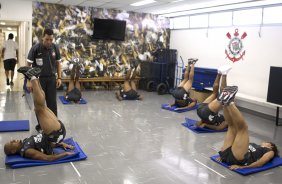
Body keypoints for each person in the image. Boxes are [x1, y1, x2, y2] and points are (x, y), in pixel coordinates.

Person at [4, 66, 73, 161]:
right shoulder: (27, 151)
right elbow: (47, 158)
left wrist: (60, 143)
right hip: (54, 133)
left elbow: (44, 142)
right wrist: (64, 154)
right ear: (13, 151)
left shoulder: (24, 143)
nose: (13, 140)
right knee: (40, 108)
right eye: (11, 143)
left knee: (40, 108)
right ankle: (32, 77)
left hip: (54, 135)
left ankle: (35, 77)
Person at [216, 86, 279, 170]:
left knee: (243, 128)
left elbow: (260, 163)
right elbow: (237, 144)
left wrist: (242, 167)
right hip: (229, 154)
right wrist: (223, 157)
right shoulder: (255, 145)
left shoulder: (270, 151)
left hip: (240, 159)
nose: (264, 142)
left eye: (267, 142)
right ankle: (225, 103)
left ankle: (230, 102)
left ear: (270, 146)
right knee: (231, 127)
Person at [26, 28, 62, 131]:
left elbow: (59, 63)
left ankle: (54, 124)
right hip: (38, 80)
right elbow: (28, 65)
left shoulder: (55, 48)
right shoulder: (35, 48)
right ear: (43, 38)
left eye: (51, 39)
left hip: (51, 79)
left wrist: (59, 77)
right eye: (47, 39)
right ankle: (42, 125)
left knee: (52, 104)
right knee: (39, 105)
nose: (49, 42)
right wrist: (28, 81)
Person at [196, 65, 232, 130]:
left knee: (220, 95)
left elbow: (219, 128)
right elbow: (217, 127)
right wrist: (203, 122)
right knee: (218, 95)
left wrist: (205, 124)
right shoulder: (226, 120)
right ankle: (220, 73)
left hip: (205, 112)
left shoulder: (228, 121)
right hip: (201, 112)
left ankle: (221, 74)